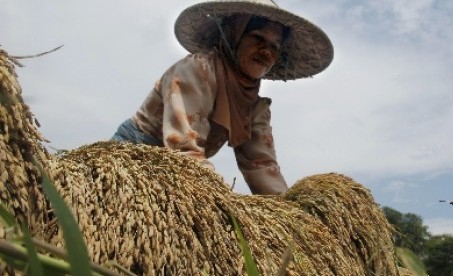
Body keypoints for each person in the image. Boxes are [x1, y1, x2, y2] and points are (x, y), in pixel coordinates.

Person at [111, 0, 333, 195]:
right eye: (257, 38)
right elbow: (183, 149)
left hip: (183, 174)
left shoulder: (254, 107)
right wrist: (224, 199)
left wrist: (288, 216)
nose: (266, 52)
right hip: (132, 157)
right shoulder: (197, 71)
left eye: (274, 47)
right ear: (233, 35)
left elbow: (261, 165)